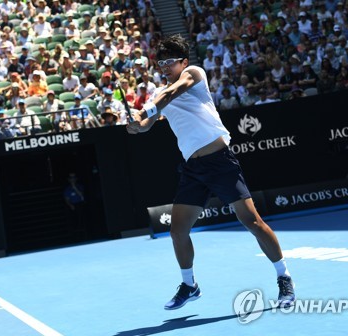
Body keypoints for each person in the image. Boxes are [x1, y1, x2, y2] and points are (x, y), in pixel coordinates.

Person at [126, 34, 295, 310]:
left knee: (252, 222)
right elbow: (147, 124)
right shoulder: (159, 94)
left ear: (183, 62)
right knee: (178, 231)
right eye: (161, 64)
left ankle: (284, 277)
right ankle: (190, 285)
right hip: (194, 169)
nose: (165, 67)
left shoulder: (194, 74)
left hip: (220, 162)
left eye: (170, 62)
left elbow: (170, 94)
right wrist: (136, 124)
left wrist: (146, 109)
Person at [64, 173, 86, 240]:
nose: (72, 179)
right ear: (69, 180)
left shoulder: (80, 186)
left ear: (76, 179)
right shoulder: (67, 189)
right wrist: (71, 205)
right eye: (71, 178)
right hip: (73, 206)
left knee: (82, 218)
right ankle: (74, 236)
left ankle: (83, 235)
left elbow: (82, 197)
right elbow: (67, 199)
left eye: (74, 178)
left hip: (80, 205)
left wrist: (75, 188)